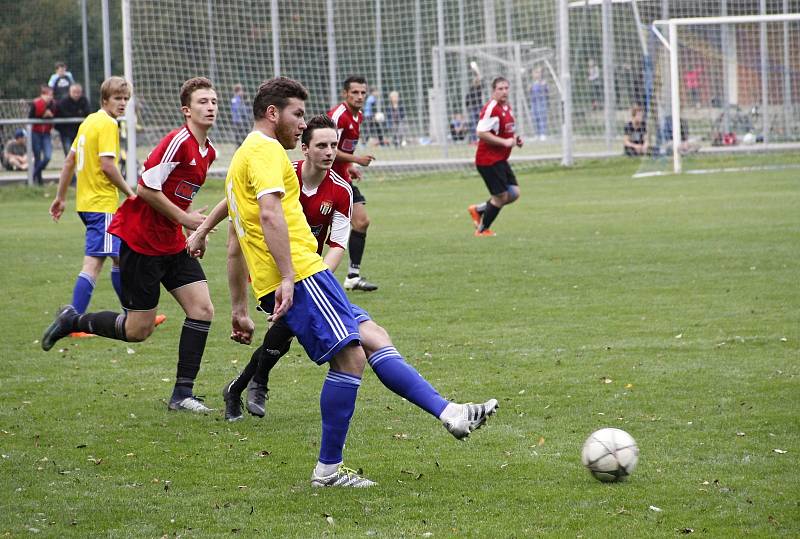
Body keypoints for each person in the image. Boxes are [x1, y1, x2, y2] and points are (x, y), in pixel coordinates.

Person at [200, 78, 496, 487]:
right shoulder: (266, 151)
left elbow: (236, 237)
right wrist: (286, 278)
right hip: (302, 276)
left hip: (304, 276)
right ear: (273, 113)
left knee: (373, 335)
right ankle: (327, 471)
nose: (302, 124)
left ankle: (451, 414)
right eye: (297, 114)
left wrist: (238, 304)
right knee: (351, 359)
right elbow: (268, 217)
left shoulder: (243, 157)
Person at [42, 77, 219, 414]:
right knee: (138, 331)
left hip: (171, 243)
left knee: (202, 309)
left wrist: (192, 230)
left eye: (213, 101)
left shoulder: (208, 152)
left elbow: (176, 196)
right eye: (202, 102)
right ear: (186, 110)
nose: (210, 106)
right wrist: (184, 219)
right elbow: (146, 189)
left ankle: (182, 394)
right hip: (141, 243)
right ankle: (72, 321)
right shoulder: (177, 142)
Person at [328, 76, 378, 292]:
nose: (359, 96)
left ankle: (353, 277)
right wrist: (356, 160)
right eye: (354, 92)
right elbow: (328, 149)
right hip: (327, 179)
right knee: (315, 230)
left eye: (362, 93)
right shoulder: (338, 116)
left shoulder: (358, 117)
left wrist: (349, 166)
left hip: (343, 178)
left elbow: (343, 149)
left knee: (362, 222)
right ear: (345, 94)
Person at [467, 77, 523, 237]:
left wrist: (515, 139)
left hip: (500, 159)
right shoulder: (491, 108)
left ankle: (478, 210)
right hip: (488, 160)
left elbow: (506, 132)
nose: (504, 91)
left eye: (506, 88)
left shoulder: (507, 107)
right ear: (493, 91)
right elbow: (481, 133)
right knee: (501, 197)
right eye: (500, 88)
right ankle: (482, 230)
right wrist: (504, 142)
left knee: (514, 193)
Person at [28, 85, 56, 184]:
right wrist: (42, 116)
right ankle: (38, 181)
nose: (50, 97)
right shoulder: (36, 103)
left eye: (51, 95)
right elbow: (30, 118)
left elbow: (55, 115)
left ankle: (33, 176)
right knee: (37, 157)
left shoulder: (53, 104)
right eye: (48, 95)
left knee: (48, 156)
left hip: (46, 134)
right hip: (36, 133)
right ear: (42, 95)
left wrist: (50, 116)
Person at [55, 83, 90, 157]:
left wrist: (75, 114)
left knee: (80, 154)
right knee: (69, 155)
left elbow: (87, 112)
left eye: (78, 92)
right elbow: (64, 114)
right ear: (69, 92)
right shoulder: (63, 101)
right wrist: (78, 114)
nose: (76, 94)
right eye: (74, 92)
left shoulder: (84, 100)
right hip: (66, 132)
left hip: (79, 132)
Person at [530, 67, 548, 141]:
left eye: (538, 72)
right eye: (535, 72)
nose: (536, 74)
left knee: (542, 118)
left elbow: (546, 92)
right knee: (535, 118)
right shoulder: (532, 83)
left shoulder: (543, 82)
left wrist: (542, 85)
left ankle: (543, 134)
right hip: (534, 103)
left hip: (541, 103)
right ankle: (537, 134)